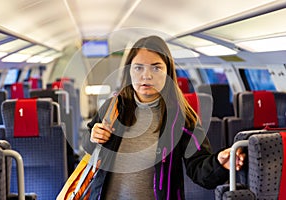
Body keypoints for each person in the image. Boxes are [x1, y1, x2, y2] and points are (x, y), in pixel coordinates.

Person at [83, 35, 245, 200]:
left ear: (168, 71)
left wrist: (219, 164)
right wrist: (93, 136)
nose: (146, 76)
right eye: (138, 68)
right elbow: (88, 145)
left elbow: (199, 168)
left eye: (156, 68)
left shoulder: (182, 117)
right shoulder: (113, 107)